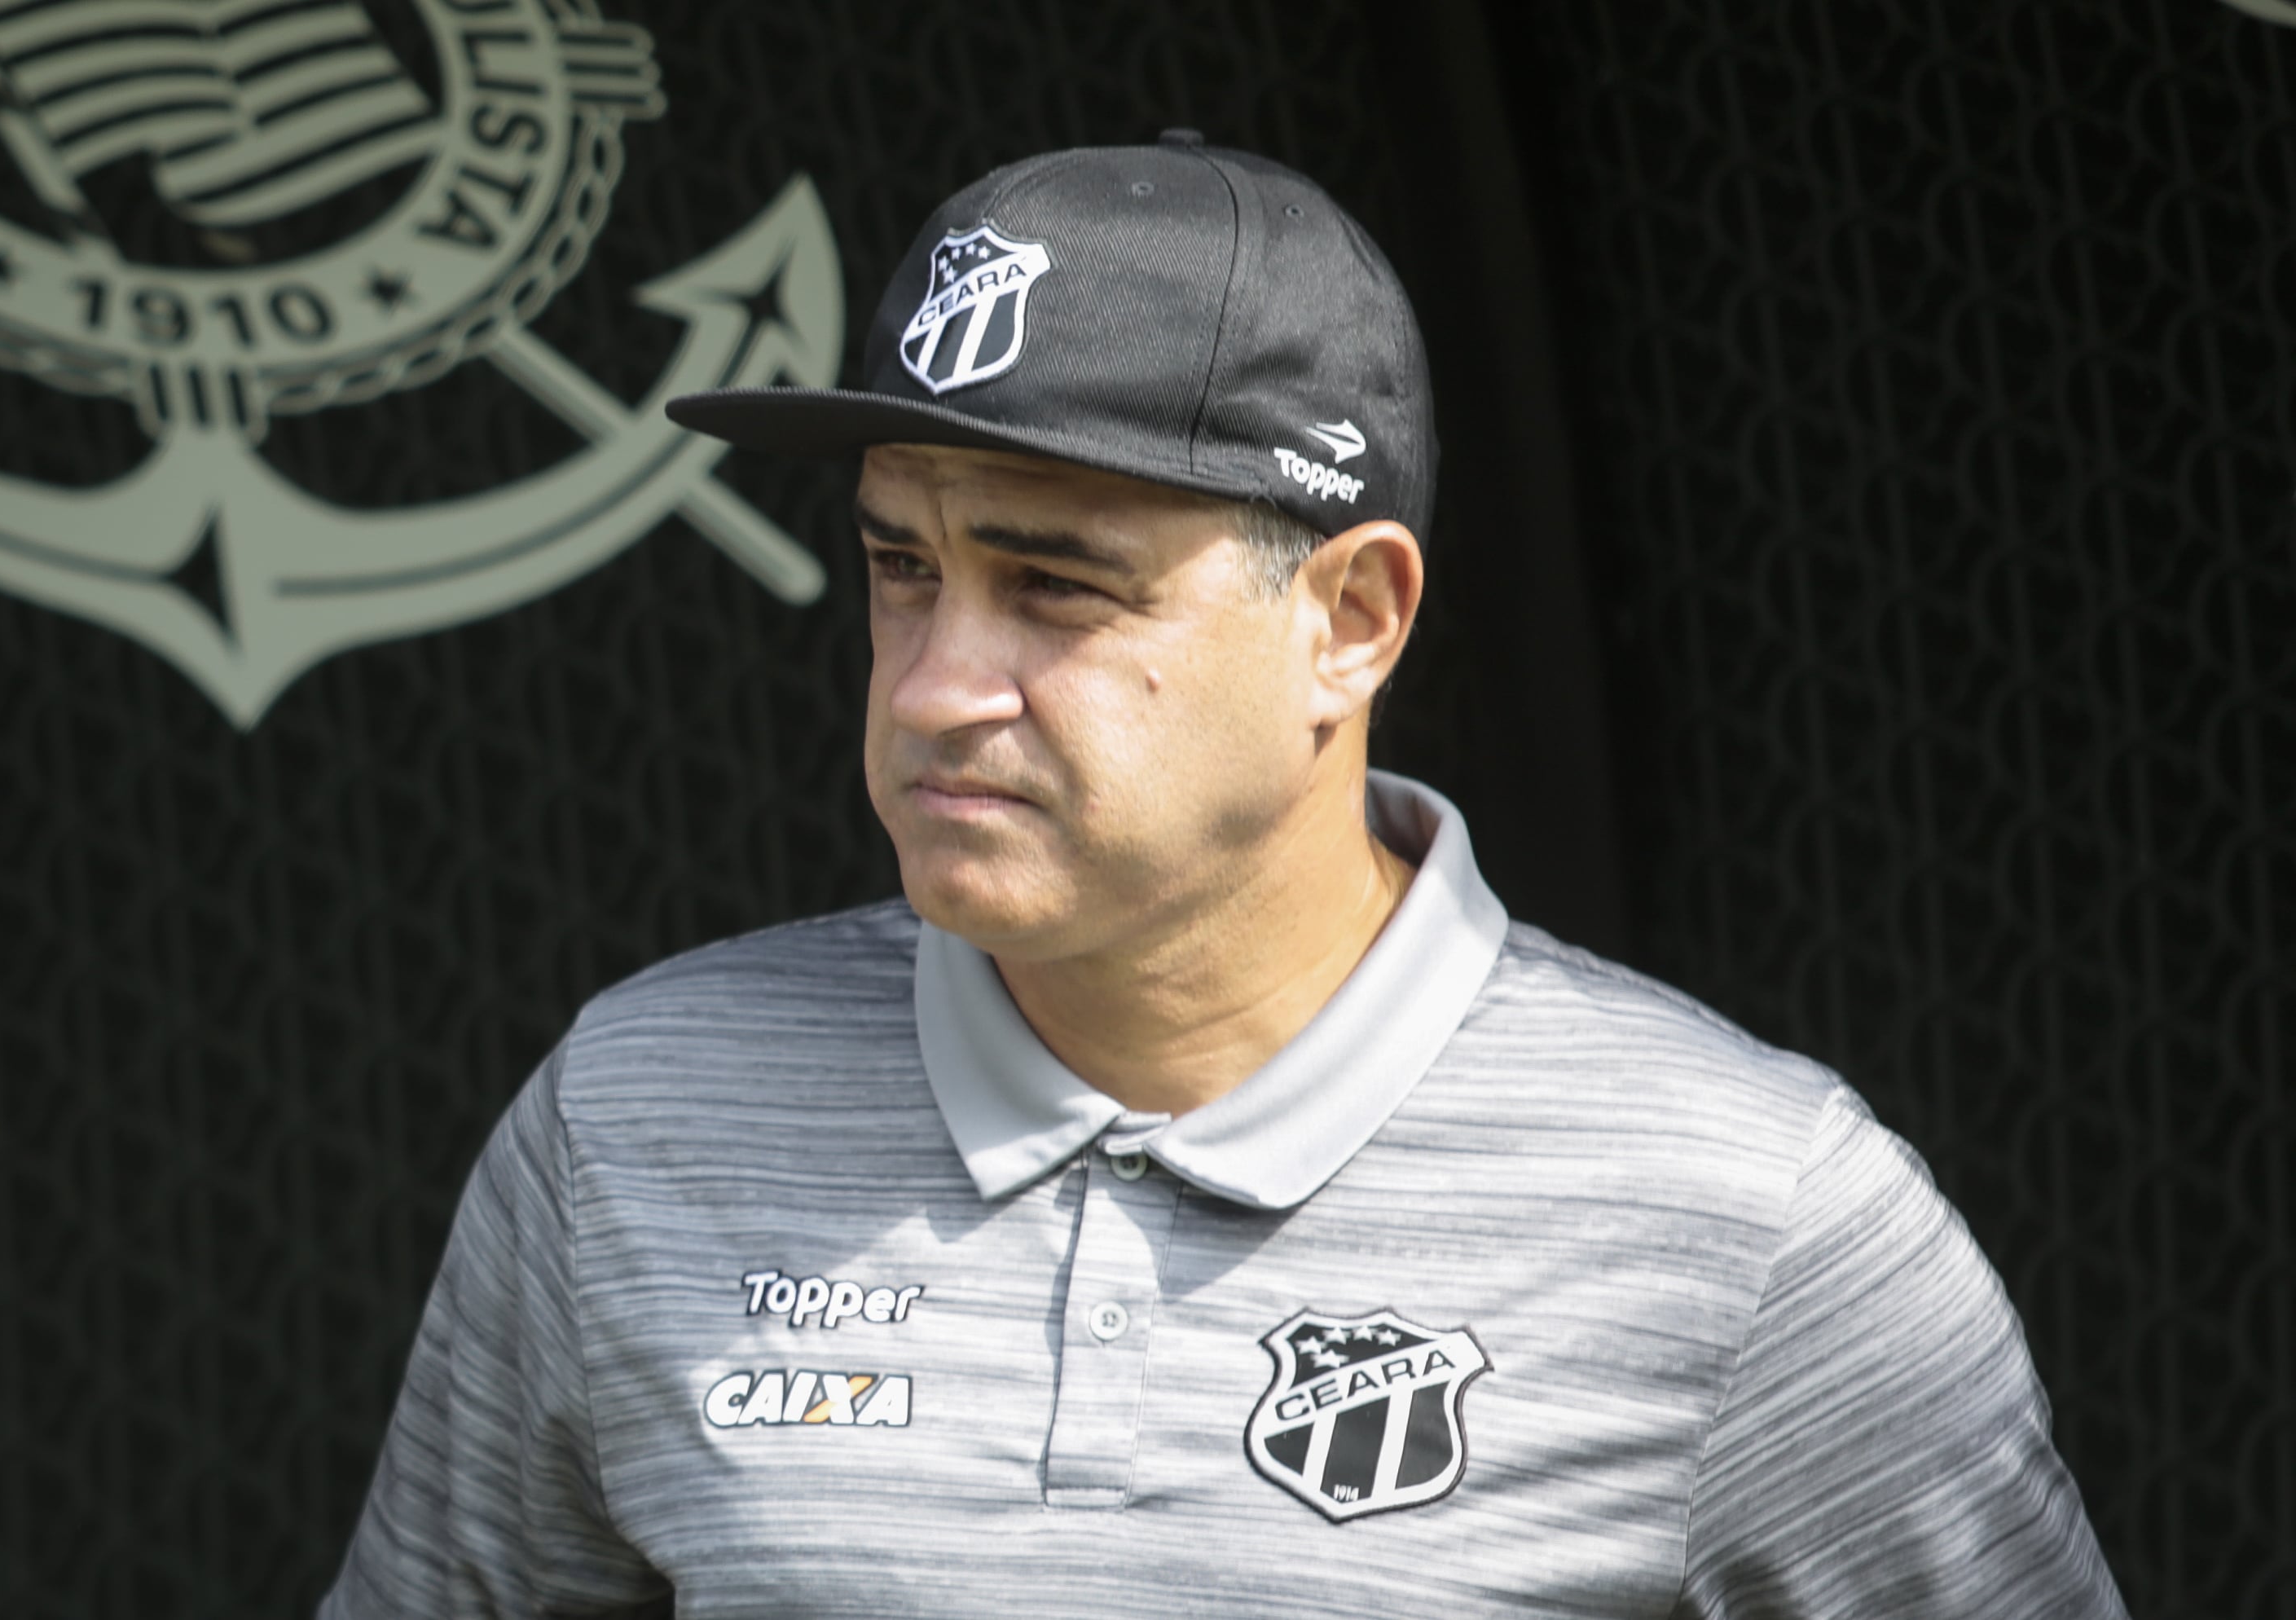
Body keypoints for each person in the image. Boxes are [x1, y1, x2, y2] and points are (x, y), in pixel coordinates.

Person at [320, 133, 2127, 1618]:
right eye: (900, 567)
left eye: (1055, 584)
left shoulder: (1756, 1223)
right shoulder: (633, 1119)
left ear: (1352, 620)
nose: (936, 685)